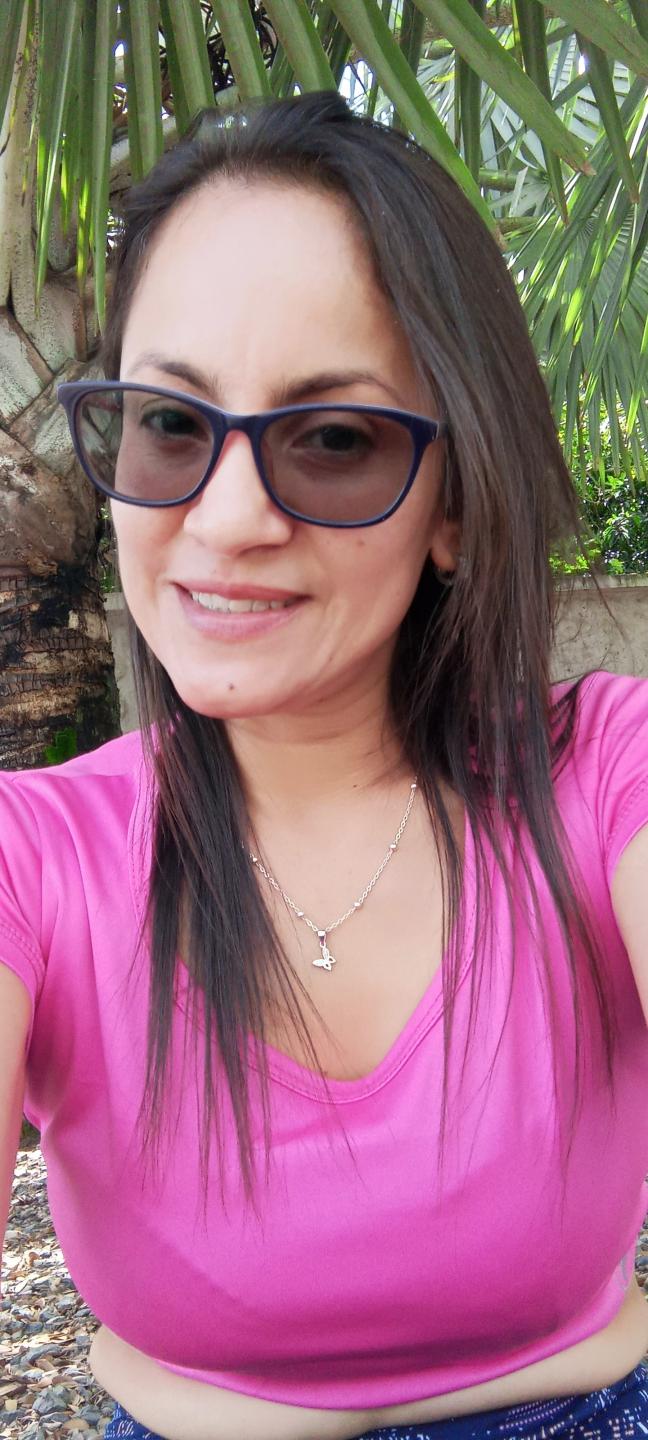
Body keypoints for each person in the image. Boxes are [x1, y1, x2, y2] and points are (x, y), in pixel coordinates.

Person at [1, 91, 647, 1440]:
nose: (226, 520)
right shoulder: (35, 855)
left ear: (456, 504)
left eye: (336, 440)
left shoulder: (607, 775)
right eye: (169, 424)